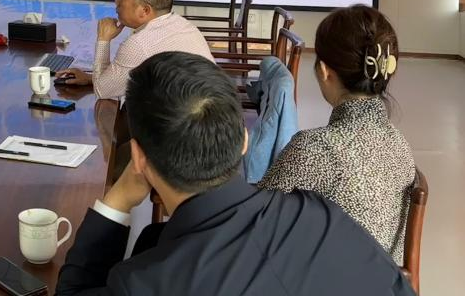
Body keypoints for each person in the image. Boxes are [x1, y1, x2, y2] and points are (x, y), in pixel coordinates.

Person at [56, 52, 415, 296]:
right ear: (244, 140)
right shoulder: (321, 215)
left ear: (139, 158)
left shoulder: (144, 281)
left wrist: (117, 200)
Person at [258, 5, 415, 262]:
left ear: (324, 70)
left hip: (325, 278)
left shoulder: (313, 149)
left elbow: (258, 221)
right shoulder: (400, 145)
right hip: (385, 278)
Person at [56, 0, 212, 99]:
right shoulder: (185, 25)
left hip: (183, 124)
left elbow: (102, 91)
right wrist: (92, 78)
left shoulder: (139, 44)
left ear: (144, 10)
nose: (116, 1)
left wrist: (103, 39)